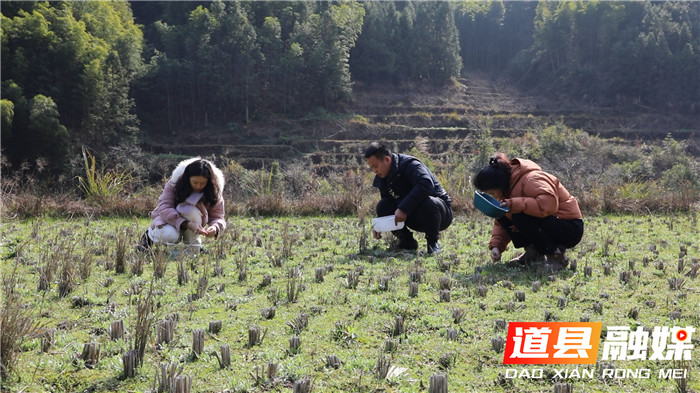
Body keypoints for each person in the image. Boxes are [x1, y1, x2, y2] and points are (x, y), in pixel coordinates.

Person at [473, 152, 584, 271]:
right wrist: (496, 246)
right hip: (549, 224)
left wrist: (515, 204)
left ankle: (556, 256)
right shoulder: (507, 190)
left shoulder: (532, 178)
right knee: (503, 215)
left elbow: (549, 204)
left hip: (569, 228)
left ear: (500, 184)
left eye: (493, 193)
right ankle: (534, 253)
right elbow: (502, 221)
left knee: (520, 216)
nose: (494, 197)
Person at [365, 142, 452, 254]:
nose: (374, 171)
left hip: (440, 214)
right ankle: (407, 242)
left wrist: (403, 208)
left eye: (375, 166)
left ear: (387, 159)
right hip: (413, 215)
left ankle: (432, 244)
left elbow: (426, 185)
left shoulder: (410, 164)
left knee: (427, 202)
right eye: (371, 168)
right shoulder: (382, 177)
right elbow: (387, 202)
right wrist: (379, 225)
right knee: (383, 206)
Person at [138, 157, 226, 251]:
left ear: (208, 182)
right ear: (188, 178)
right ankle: (149, 235)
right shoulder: (174, 184)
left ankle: (192, 244)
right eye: (195, 182)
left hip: (194, 222)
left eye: (203, 183)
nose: (198, 186)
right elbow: (164, 207)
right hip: (169, 220)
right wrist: (186, 224)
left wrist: (215, 227)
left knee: (192, 212)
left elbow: (218, 216)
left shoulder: (214, 191)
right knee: (170, 235)